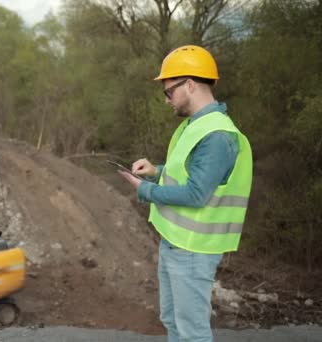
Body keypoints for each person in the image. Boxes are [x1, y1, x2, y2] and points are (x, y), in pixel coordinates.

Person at [118, 45, 253, 342]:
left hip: (193, 250)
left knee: (192, 332)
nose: (167, 100)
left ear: (190, 85)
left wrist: (146, 190)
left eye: (169, 91)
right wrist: (156, 171)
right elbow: (190, 173)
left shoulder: (217, 135)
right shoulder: (196, 125)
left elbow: (195, 194)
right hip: (176, 243)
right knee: (172, 320)